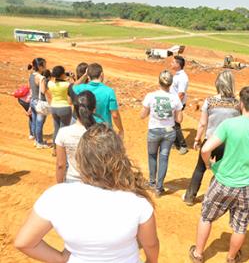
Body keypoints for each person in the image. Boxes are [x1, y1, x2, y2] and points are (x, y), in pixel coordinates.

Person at [15, 124, 159, 263]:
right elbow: (151, 245)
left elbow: (24, 243)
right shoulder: (137, 202)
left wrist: (61, 258)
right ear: (120, 158)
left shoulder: (56, 196)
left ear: (80, 160)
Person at [189, 86, 249, 263]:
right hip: (246, 187)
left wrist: (208, 165)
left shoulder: (229, 124)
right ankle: (231, 258)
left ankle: (198, 254)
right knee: (240, 227)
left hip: (222, 182)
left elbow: (205, 149)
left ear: (241, 104)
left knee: (206, 217)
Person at [182, 70, 240, 205]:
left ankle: (190, 197)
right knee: (223, 171)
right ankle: (219, 198)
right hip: (228, 143)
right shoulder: (237, 104)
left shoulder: (210, 101)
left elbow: (202, 123)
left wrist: (197, 139)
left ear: (218, 84)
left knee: (200, 168)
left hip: (211, 141)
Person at [141, 70, 183, 197]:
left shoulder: (150, 96)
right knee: (164, 158)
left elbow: (142, 115)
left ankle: (152, 183)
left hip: (154, 131)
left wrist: (150, 110)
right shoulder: (175, 98)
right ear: (170, 84)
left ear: (159, 82)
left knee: (152, 156)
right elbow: (179, 119)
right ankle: (159, 188)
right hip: (169, 132)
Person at [73, 63, 124, 139]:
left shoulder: (81, 88)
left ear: (88, 76)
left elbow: (74, 86)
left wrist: (85, 75)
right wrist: (121, 129)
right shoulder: (109, 91)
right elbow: (115, 115)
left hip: (87, 129)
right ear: (102, 74)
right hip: (105, 130)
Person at [55, 91, 96, 183]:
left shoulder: (63, 133)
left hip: (71, 180)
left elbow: (60, 164)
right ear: (94, 109)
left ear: (75, 109)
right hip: (94, 182)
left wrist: (59, 185)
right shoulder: (99, 133)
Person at [46, 66, 72, 156]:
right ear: (61, 75)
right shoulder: (66, 84)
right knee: (64, 130)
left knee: (56, 128)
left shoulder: (50, 83)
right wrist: (71, 78)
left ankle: (54, 149)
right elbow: (73, 87)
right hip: (64, 108)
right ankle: (62, 150)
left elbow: (53, 81)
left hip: (54, 107)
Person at [170, 55, 189, 155]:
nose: (171, 64)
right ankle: (175, 143)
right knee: (172, 124)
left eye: (173, 62)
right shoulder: (177, 75)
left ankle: (183, 146)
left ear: (178, 65)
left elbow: (181, 94)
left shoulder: (182, 77)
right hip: (175, 103)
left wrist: (176, 106)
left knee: (176, 125)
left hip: (177, 104)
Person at [28, 58, 49, 148]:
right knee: (39, 123)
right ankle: (39, 143)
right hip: (40, 103)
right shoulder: (41, 78)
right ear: (40, 66)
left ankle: (37, 140)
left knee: (35, 122)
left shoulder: (31, 75)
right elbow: (43, 91)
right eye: (44, 64)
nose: (45, 66)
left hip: (33, 101)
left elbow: (31, 88)